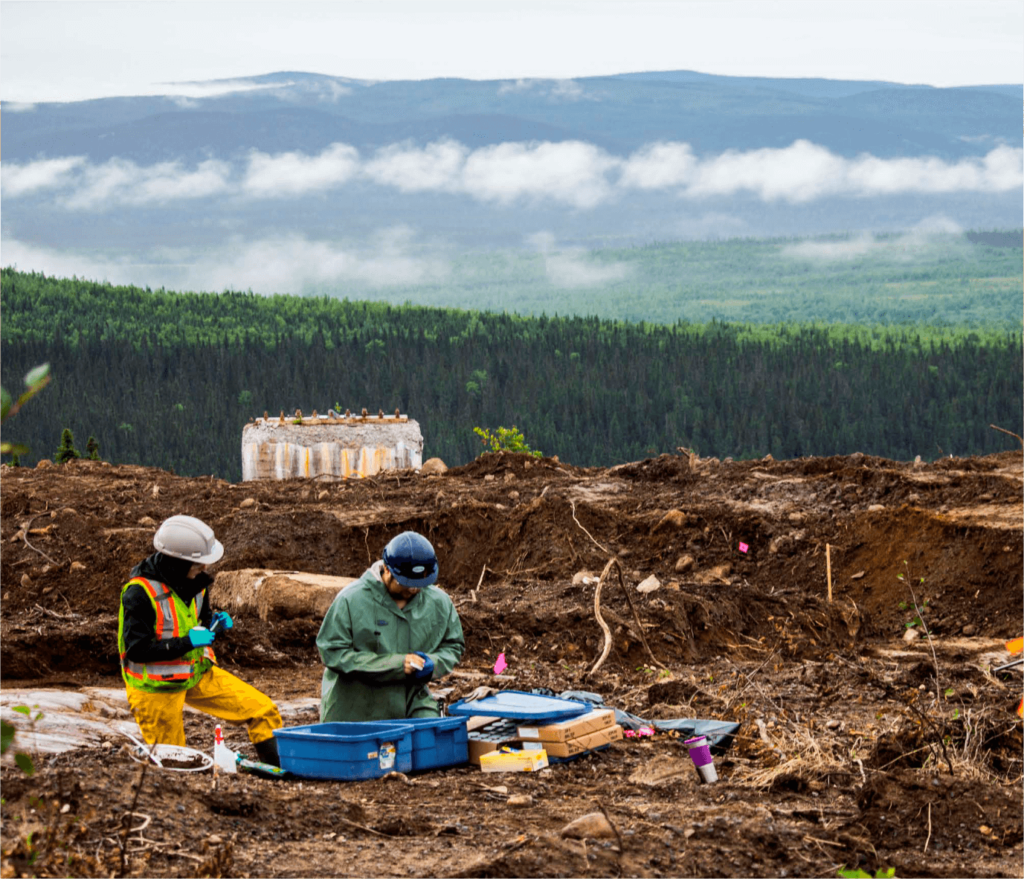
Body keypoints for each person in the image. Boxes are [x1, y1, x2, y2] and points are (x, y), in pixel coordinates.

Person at [117, 515, 283, 765]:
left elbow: (199, 621)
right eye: (199, 563)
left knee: (262, 710)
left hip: (196, 672)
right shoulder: (139, 593)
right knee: (172, 760)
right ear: (177, 561)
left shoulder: (196, 584)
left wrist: (215, 625)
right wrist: (187, 642)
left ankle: (277, 774)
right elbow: (137, 650)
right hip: (155, 689)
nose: (205, 568)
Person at [317, 531, 465, 723]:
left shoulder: (439, 602)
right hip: (355, 712)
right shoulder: (351, 600)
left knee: (434, 741)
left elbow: (453, 646)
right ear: (387, 570)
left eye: (421, 583)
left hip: (412, 703)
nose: (414, 589)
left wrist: (433, 663)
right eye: (407, 583)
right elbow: (332, 652)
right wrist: (395, 665)